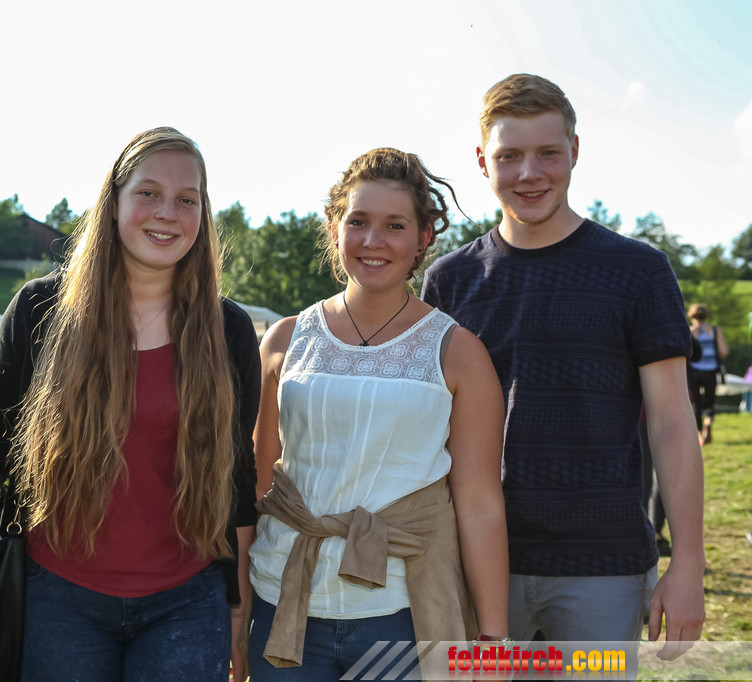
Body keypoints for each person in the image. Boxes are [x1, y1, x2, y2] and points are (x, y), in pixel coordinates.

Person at [422, 73, 706, 646]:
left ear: (575, 150)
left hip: (603, 568)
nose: (529, 173)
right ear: (481, 162)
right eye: (509, 156)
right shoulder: (449, 281)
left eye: (548, 152)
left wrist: (689, 564)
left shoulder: (639, 271)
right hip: (475, 562)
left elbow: (673, 423)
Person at [0, 127, 260, 682]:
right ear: (113, 202)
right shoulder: (41, 311)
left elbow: (238, 477)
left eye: (187, 199)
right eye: (149, 193)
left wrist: (238, 607)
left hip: (187, 601)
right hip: (56, 595)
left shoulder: (228, 329)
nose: (167, 213)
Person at [247, 148, 509, 679]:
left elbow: (480, 503)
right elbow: (256, 482)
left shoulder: (458, 351)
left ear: (423, 238)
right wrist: (236, 609)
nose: (373, 240)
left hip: (402, 615)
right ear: (335, 229)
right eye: (358, 221)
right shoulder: (283, 340)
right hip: (282, 600)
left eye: (395, 225)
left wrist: (494, 635)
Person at [687, 303, 728, 445]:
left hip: (694, 371)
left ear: (691, 316)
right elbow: (724, 351)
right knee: (709, 400)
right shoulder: (715, 330)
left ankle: (700, 434)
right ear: (706, 316)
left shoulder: (689, 331)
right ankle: (708, 422)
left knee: (696, 402)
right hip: (711, 371)